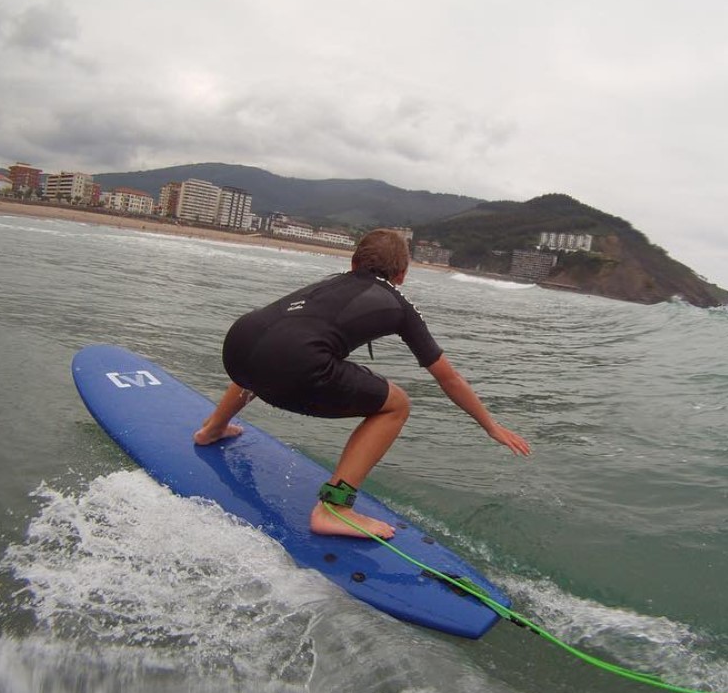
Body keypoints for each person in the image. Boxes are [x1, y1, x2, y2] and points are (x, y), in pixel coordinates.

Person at [193, 229, 531, 539]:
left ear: (353, 262)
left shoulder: (330, 282)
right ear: (402, 275)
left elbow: (279, 340)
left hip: (239, 344)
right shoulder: (399, 305)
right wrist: (490, 426)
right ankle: (334, 508)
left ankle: (212, 429)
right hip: (292, 363)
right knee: (397, 404)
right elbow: (448, 377)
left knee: (273, 350)